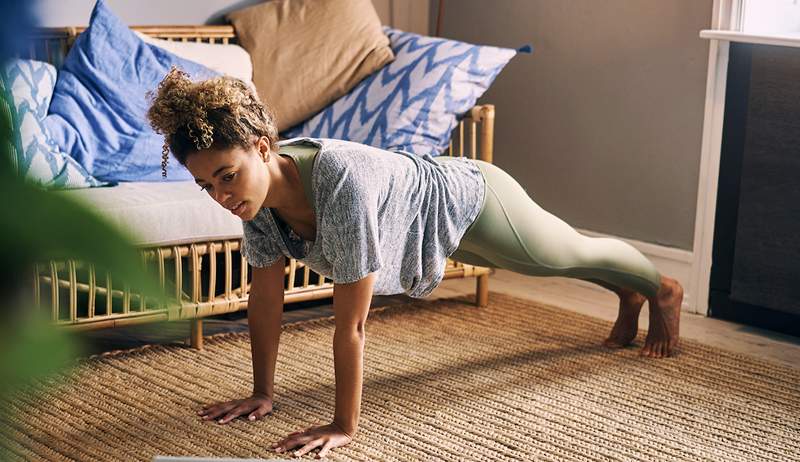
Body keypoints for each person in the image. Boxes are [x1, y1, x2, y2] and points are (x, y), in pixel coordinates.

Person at [147, 68, 683, 459]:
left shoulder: (339, 182)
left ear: (262, 147)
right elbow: (265, 301)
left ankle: (660, 289)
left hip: (470, 201)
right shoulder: (254, 203)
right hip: (427, 231)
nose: (220, 195)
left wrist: (343, 425)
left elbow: (351, 324)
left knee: (565, 256)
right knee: (553, 265)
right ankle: (628, 293)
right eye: (204, 185)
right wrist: (263, 392)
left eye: (226, 175)